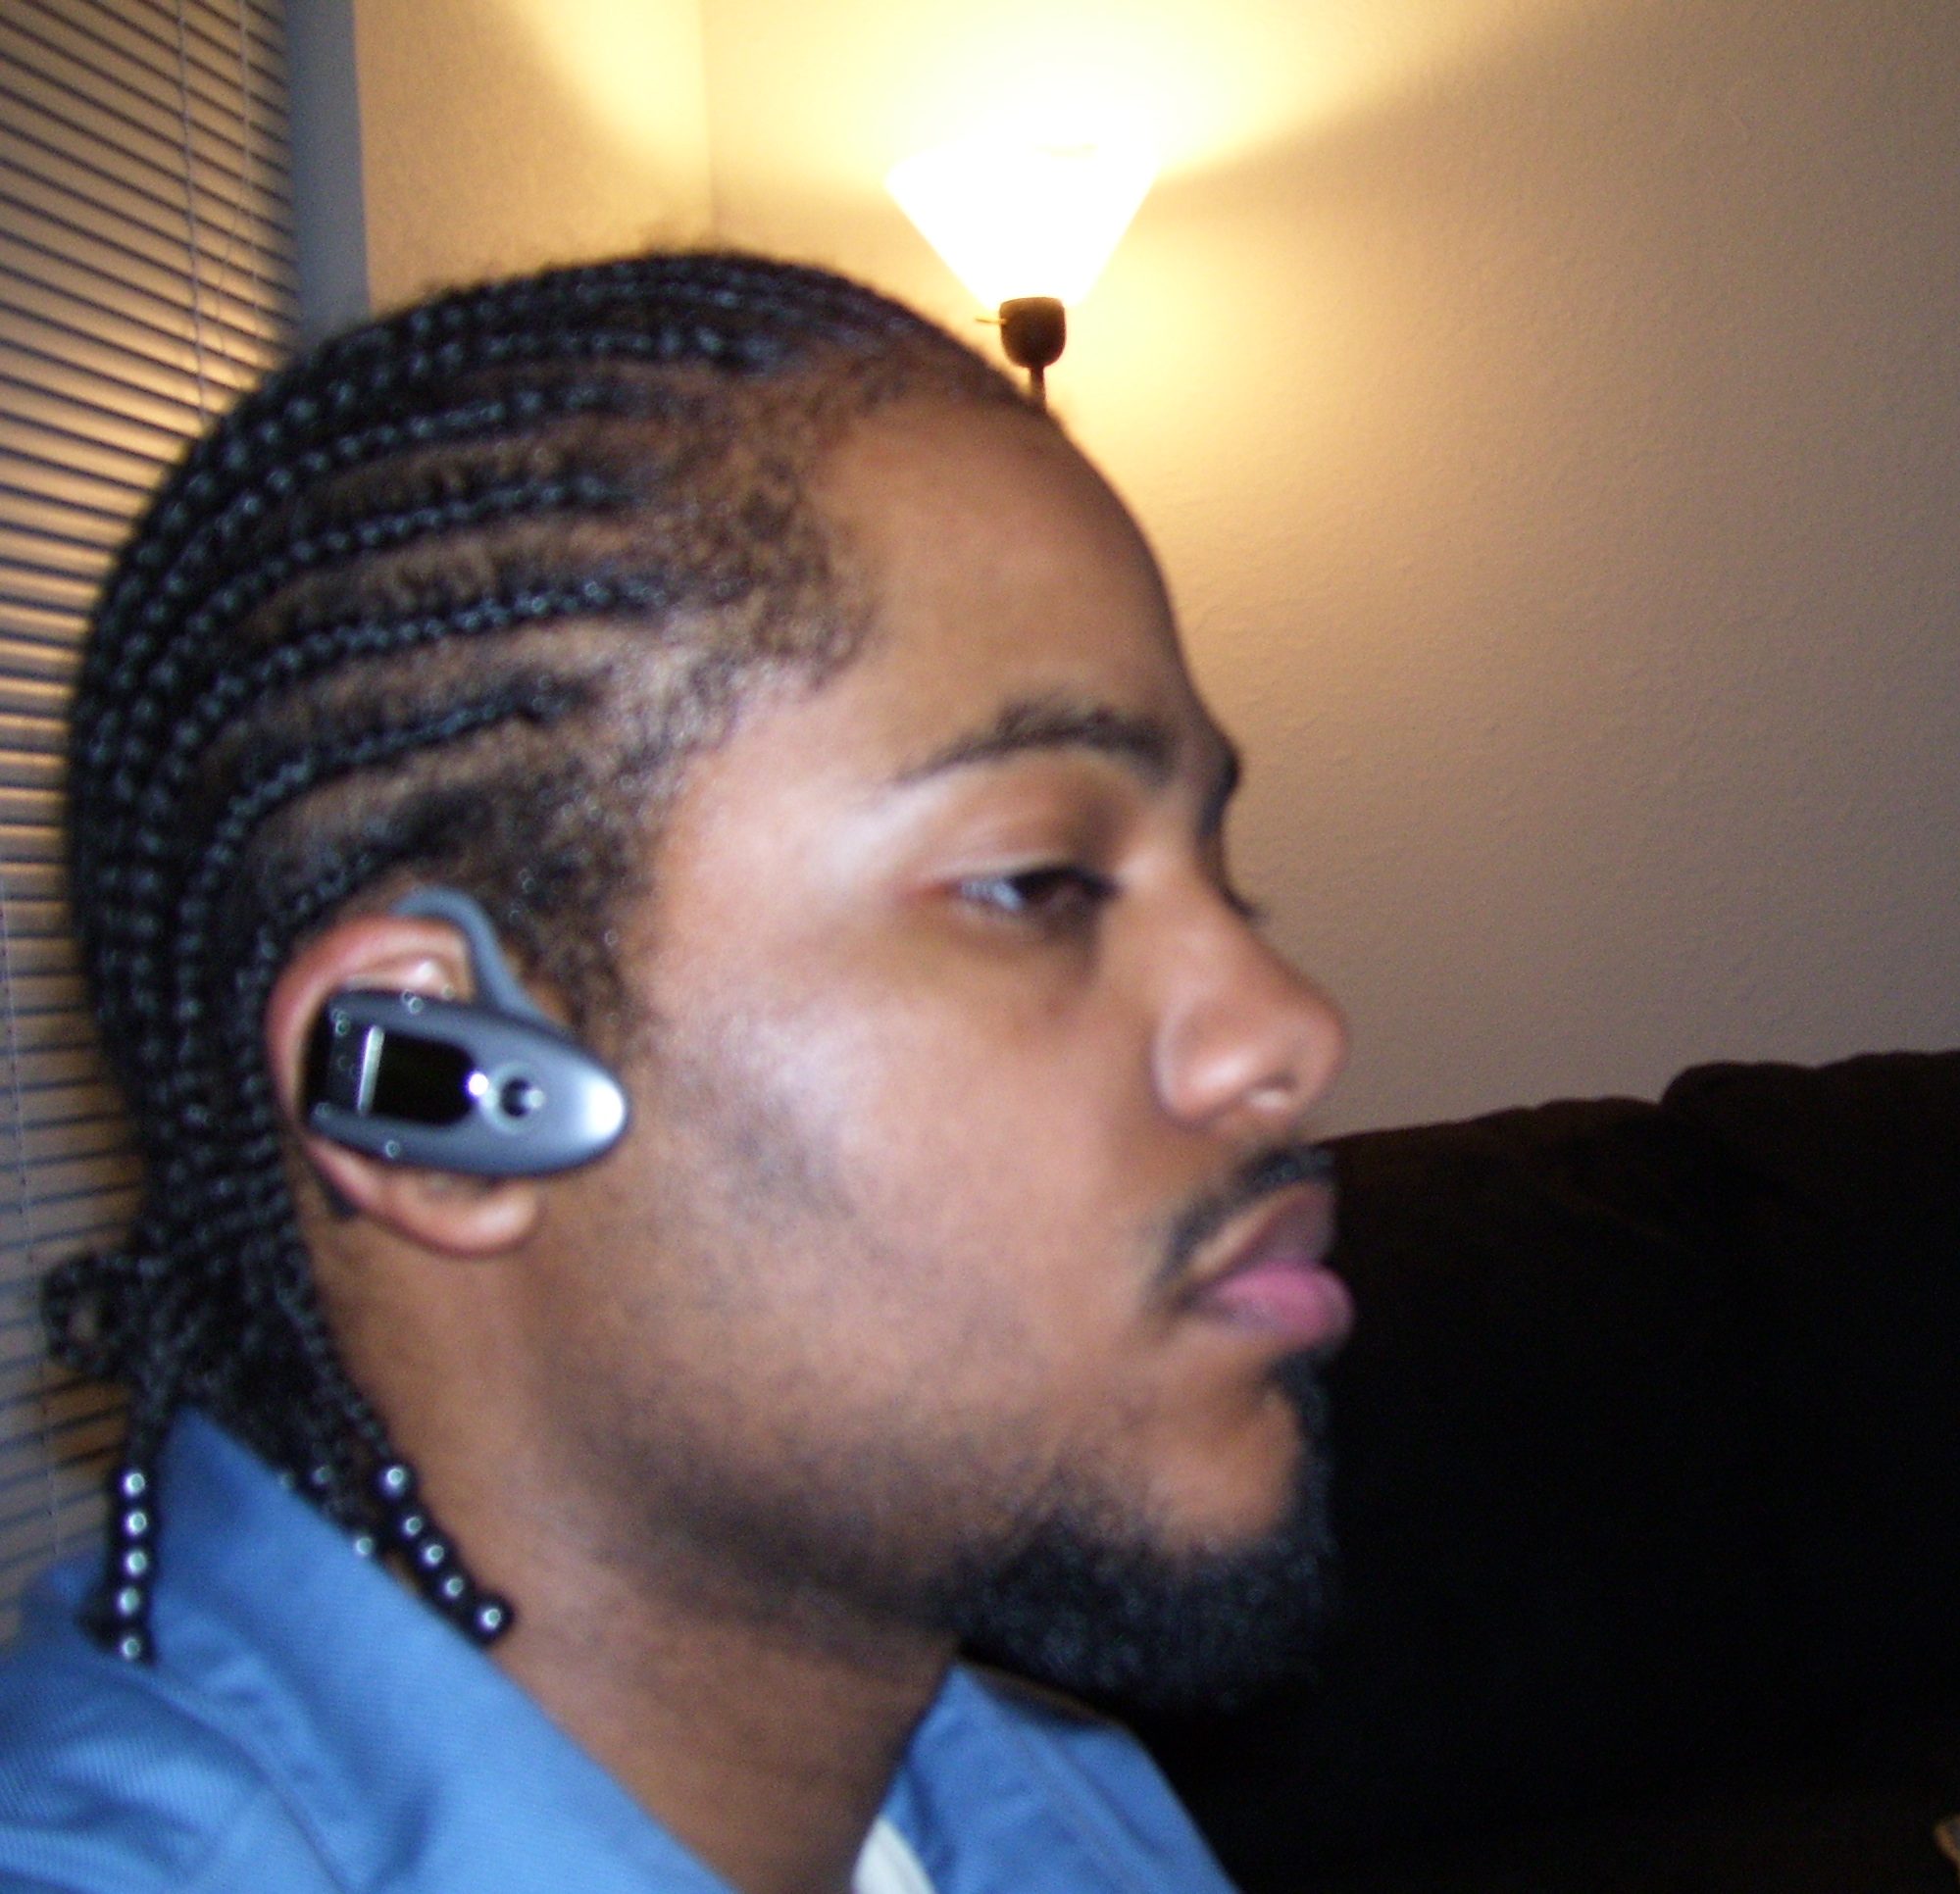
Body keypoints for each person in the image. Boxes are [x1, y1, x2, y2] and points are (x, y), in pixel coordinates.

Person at [0, 253, 1354, 1894]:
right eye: (1037, 882)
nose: (1285, 1028)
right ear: (438, 1097)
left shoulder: (1048, 1804)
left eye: (1222, 873)